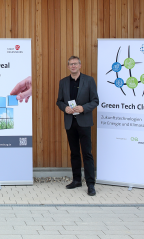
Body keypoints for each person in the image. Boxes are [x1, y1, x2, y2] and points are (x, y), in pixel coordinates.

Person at [56, 56, 99, 196]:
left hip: (84, 121)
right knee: (74, 153)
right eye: (71, 64)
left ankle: (91, 184)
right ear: (68, 67)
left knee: (87, 153)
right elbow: (59, 101)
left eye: (75, 64)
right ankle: (76, 180)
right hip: (70, 122)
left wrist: (83, 108)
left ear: (80, 65)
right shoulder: (63, 82)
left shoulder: (89, 80)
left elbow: (95, 100)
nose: (73, 66)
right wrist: (65, 108)